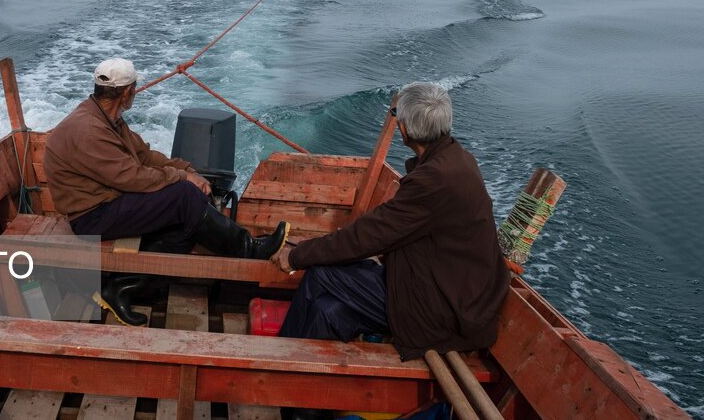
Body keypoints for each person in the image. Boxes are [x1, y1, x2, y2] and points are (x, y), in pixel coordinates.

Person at [272, 81, 509, 372]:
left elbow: (366, 237)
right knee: (328, 312)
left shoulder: (434, 179)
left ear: (406, 130)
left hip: (440, 311)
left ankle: (278, 363)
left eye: (397, 115)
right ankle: (304, 403)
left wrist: (296, 256)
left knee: (321, 273)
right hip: (455, 297)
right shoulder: (457, 159)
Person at [45, 57, 289, 326]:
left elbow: (145, 156)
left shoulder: (106, 119)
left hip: (108, 202)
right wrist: (182, 178)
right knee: (184, 197)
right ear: (128, 91)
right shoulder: (89, 129)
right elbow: (133, 178)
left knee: (186, 219)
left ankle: (120, 289)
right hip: (91, 217)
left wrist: (188, 170)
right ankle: (248, 249)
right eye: (134, 89)